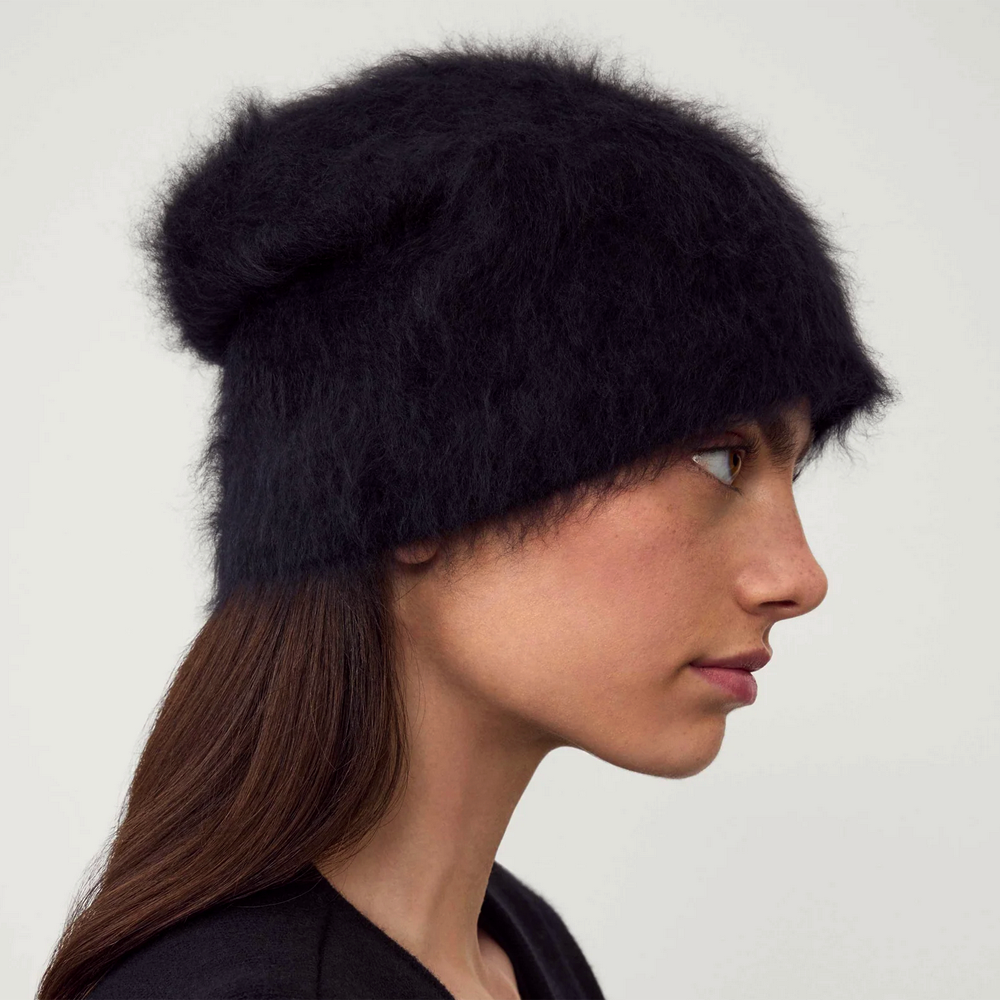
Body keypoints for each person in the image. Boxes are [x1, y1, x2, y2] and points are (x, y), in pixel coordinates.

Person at [37, 36, 899, 1000]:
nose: (798, 578)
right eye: (718, 457)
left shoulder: (519, 948)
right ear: (412, 491)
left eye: (795, 466)